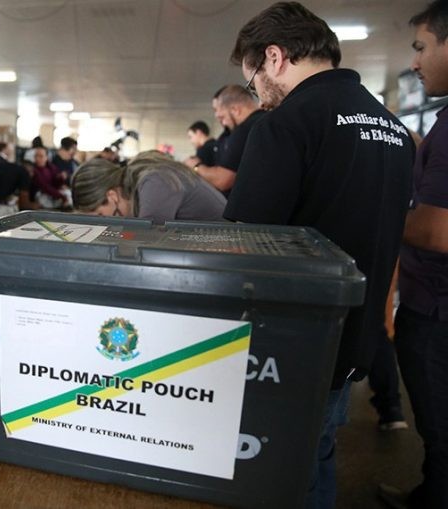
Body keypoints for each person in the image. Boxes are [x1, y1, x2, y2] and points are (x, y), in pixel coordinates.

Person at [225, 3, 414, 507]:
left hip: (287, 348)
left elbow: (244, 243)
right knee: (319, 456)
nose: (259, 97)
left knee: (276, 475)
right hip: (356, 339)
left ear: (274, 57)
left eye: (253, 83)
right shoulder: (394, 128)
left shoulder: (285, 125)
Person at [379, 2, 448, 507]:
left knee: (440, 424)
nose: (416, 63)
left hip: (437, 309)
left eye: (422, 47)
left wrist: (373, 218)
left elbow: (436, 230)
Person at [72, 151, 226, 224]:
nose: (104, 223)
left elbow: (147, 244)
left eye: (100, 215)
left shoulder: (154, 182)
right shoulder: (141, 178)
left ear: (112, 196)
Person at [194, 85, 263, 195]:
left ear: (235, 110)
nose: (224, 123)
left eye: (222, 117)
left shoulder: (245, 130)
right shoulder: (266, 121)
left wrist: (196, 166)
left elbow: (223, 180)